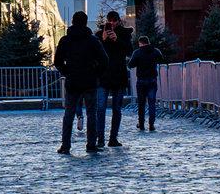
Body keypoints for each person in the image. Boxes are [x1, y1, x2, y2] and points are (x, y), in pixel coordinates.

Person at [55, 11, 110, 156]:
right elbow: (104, 60)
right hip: (90, 81)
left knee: (69, 114)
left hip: (72, 81)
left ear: (72, 22)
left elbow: (57, 61)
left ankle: (65, 145)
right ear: (86, 23)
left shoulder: (65, 40)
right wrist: (96, 73)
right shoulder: (92, 40)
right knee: (92, 113)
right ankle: (91, 144)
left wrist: (66, 71)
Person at [99, 12, 134, 148]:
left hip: (118, 76)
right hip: (103, 76)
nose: (112, 23)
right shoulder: (100, 34)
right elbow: (96, 51)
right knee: (100, 108)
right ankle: (100, 138)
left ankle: (113, 138)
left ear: (118, 21)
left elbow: (129, 51)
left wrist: (116, 40)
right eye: (110, 21)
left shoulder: (124, 34)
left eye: (114, 21)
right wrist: (103, 39)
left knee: (117, 109)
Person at [130, 35, 163, 133]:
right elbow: (161, 59)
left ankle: (141, 124)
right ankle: (151, 124)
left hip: (141, 81)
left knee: (141, 103)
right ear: (148, 42)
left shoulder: (137, 52)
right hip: (152, 80)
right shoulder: (155, 51)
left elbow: (130, 64)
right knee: (152, 103)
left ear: (140, 43)